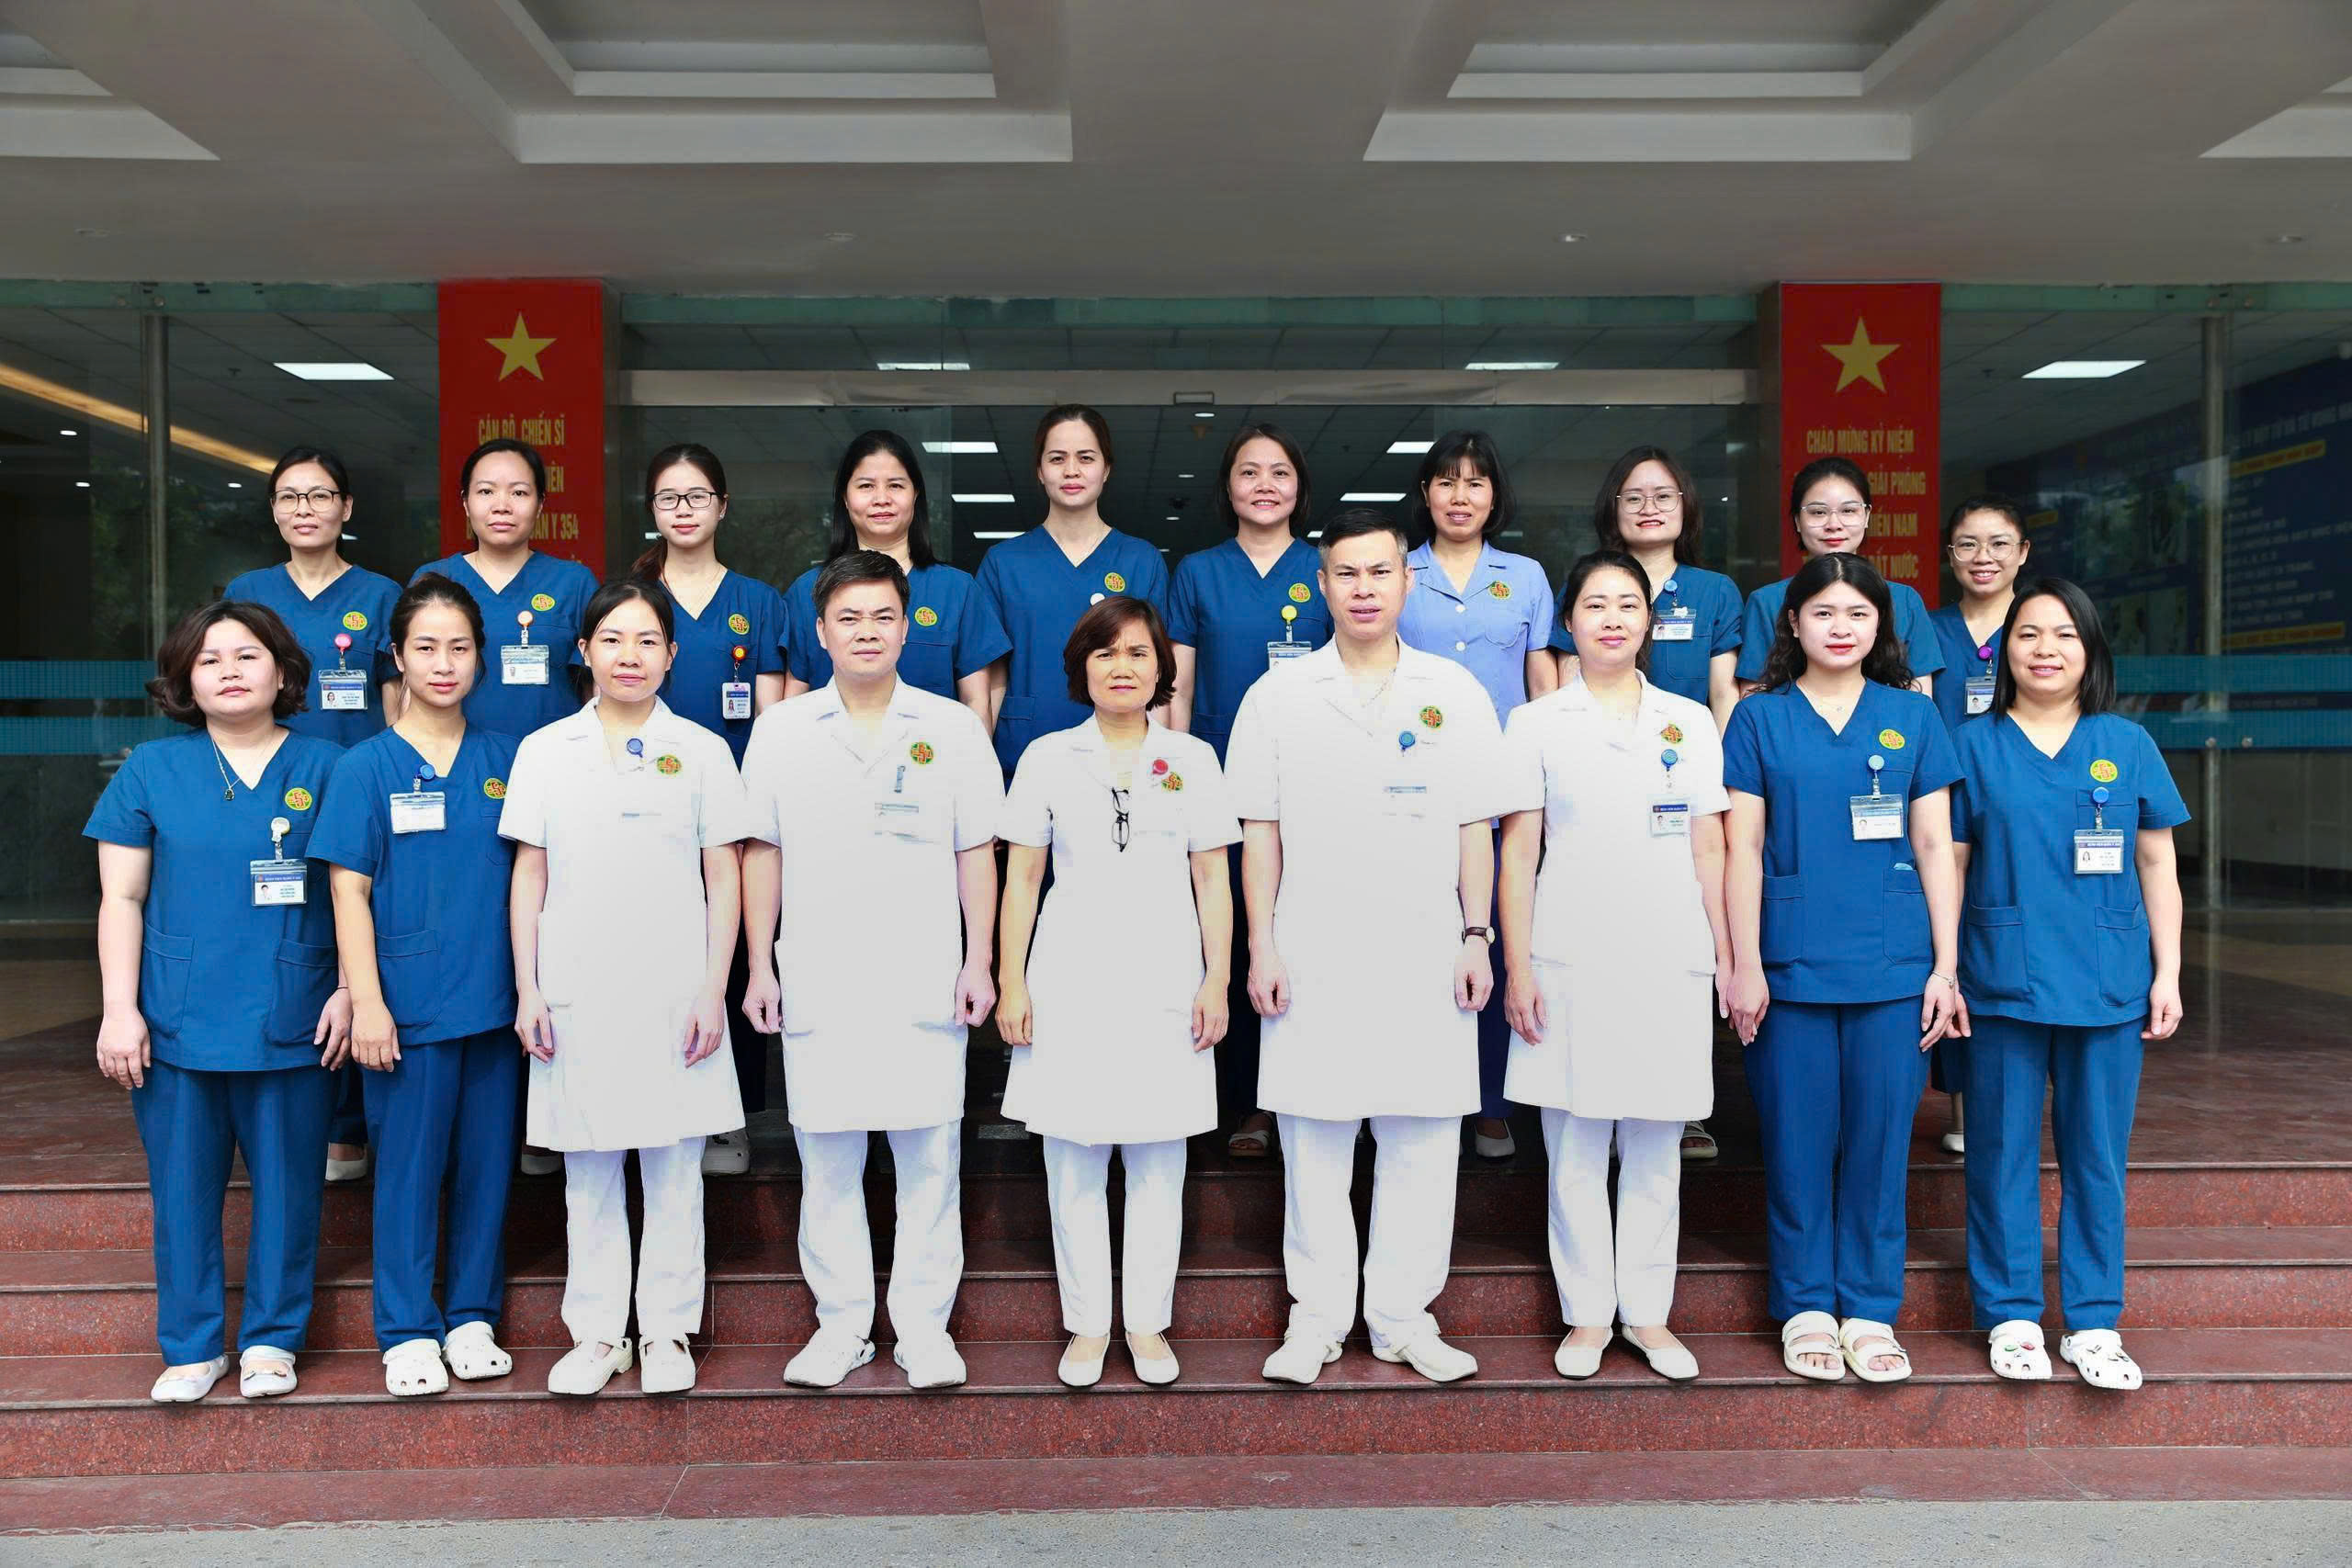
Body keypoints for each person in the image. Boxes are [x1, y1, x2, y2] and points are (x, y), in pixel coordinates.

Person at [1225, 509, 1518, 1387]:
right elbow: (1259, 833)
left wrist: (1477, 934)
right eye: (1346, 573)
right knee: (1314, 1136)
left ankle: (1401, 1317)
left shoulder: (1454, 691)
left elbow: (1478, 826)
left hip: (1427, 943)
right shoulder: (1276, 696)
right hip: (1313, 942)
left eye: (1379, 573)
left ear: (1405, 582)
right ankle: (1315, 1318)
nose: (1362, 589)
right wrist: (1261, 946)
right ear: (1323, 584)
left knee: (1423, 1139)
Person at [741, 551, 1002, 1392]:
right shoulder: (782, 729)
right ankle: (844, 1324)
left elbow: (978, 850)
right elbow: (761, 852)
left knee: (930, 1154)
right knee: (827, 1156)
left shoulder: (950, 727)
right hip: (818, 966)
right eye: (848, 618)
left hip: (923, 967)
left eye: (882, 617)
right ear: (820, 631)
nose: (866, 632)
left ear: (908, 625)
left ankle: (924, 1327)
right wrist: (760, 963)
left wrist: (980, 958)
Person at [85, 601, 348, 1404]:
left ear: (282, 669)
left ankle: (272, 1339)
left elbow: (359, 894)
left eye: (247, 654)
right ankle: (193, 1345)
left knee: (289, 1186)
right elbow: (121, 898)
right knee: (184, 1190)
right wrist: (118, 1008)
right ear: (184, 680)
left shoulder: (332, 765)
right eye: (209, 659)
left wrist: (349, 987)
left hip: (295, 1008)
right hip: (175, 1018)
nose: (230, 670)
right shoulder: (151, 772)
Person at [499, 579, 752, 1397]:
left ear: (673, 655)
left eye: (648, 640)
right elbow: (528, 872)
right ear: (584, 650)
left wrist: (716, 987)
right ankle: (600, 1333)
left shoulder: (705, 750)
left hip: (676, 984)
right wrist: (528, 988)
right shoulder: (545, 749)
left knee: (675, 1165)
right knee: (590, 1164)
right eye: (613, 639)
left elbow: (726, 872)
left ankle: (669, 1330)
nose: (630, 655)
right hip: (576, 985)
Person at [1722, 552, 1964, 1385]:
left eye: (1857, 615)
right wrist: (1743, 960)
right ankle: (1804, 1308)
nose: (1839, 627)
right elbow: (1741, 847)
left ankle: (1867, 1307)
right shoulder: (1757, 720)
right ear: (1792, 624)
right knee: (1795, 1141)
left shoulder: (1913, 718)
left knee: (1878, 1143)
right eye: (1822, 612)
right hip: (1788, 965)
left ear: (1879, 628)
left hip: (1895, 965)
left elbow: (1936, 844)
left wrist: (1947, 965)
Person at [1500, 551, 1730, 1383]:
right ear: (1568, 621)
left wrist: (1728, 956)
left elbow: (1711, 842)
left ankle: (1649, 1312)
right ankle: (1588, 1313)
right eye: (1594, 603)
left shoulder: (1689, 718)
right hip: (1570, 950)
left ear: (1648, 620)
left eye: (1627, 604)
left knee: (1656, 1141)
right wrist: (1518, 965)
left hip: (1668, 947)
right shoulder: (1535, 722)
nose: (1611, 618)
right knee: (1574, 1142)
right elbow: (1518, 847)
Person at [1951, 578, 2186, 1393]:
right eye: (2027, 633)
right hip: (2002, 978)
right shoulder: (1970, 745)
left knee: (2097, 1159)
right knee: (2002, 1153)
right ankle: (2013, 1314)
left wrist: (2171, 970)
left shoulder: (2127, 741)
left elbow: (2157, 861)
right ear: (2004, 649)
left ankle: (2093, 1321)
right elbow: (1951, 862)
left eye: (2064, 634)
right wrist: (1945, 969)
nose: (2045, 648)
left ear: (2089, 651)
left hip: (2108, 979)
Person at [999, 597, 1238, 1387]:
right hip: (1068, 975)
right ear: (1082, 669)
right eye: (1105, 654)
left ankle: (1147, 1322)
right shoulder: (1046, 756)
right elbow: (1022, 877)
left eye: (1139, 652)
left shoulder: (1194, 758)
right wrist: (1010, 979)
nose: (1123, 666)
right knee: (1073, 1160)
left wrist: (1217, 976)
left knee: (1158, 1160)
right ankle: (1087, 1326)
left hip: (1168, 976)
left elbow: (1214, 877)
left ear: (1161, 668)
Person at [311, 574, 522, 1396]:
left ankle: (471, 1316)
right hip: (402, 1008)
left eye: (460, 647)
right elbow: (347, 891)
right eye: (425, 647)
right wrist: (366, 999)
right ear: (396, 656)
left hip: (496, 1004)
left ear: (481, 658)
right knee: (405, 1170)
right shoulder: (364, 767)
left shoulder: (509, 758)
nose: (443, 663)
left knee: (485, 1169)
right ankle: (405, 1329)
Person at [1552, 445, 1743, 1166]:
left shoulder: (1714, 590)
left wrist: (1717, 791)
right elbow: (1570, 688)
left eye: (1664, 493)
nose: (1650, 506)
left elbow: (1724, 692)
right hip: (1597, 791)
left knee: (1676, 950)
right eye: (1633, 495)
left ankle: (1682, 1109)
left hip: (1681, 786)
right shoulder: (1587, 587)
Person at [222, 446, 401, 1186]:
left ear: (345, 509)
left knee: (360, 948)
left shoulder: (384, 593)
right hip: (274, 789)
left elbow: (398, 700)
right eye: (290, 496)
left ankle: (354, 1124)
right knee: (289, 943)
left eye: (320, 495)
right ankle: (295, 1113)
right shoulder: (248, 590)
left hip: (355, 786)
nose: (305, 508)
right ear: (273, 509)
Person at [1164, 422, 1330, 1159]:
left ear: (1300, 485)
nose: (1265, 485)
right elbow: (1178, 682)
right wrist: (1172, 770)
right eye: (1248, 472)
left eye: (1280, 471)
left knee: (1297, 932)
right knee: (1225, 936)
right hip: (1218, 777)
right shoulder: (1197, 572)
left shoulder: (1326, 569)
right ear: (1227, 486)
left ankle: (1293, 1096)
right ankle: (1233, 1102)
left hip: (1313, 783)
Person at [1395, 430, 1556, 1164]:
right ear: (1425, 492)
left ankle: (1491, 1102)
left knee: (1490, 936)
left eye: (1476, 483)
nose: (1461, 496)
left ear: (1496, 496)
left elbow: (1541, 679)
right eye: (1446, 481)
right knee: (1417, 941)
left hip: (1499, 791)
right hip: (1410, 784)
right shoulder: (1397, 572)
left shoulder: (1523, 576)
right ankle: (1417, 1084)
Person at [631, 443, 788, 1176]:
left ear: (722, 507)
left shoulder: (758, 602)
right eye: (669, 498)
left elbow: (771, 715)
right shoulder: (633, 600)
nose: (684, 510)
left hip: (731, 796)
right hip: (645, 802)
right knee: (653, 946)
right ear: (653, 511)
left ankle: (730, 1118)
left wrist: (753, 806)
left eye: (697, 496)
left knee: (729, 952)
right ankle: (644, 1095)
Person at [1924, 494, 2034, 1156]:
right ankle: (1964, 1107)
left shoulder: (2042, 625)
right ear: (1949, 554)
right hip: (1944, 811)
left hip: (2021, 809)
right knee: (1955, 943)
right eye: (1967, 543)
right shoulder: (1927, 629)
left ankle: (2010, 1105)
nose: (1982, 557)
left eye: (1998, 543)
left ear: (2023, 552)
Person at [977, 405, 1168, 775]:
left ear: (1106, 469)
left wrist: (1160, 764)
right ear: (1039, 470)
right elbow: (989, 680)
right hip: (1023, 753)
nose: (1071, 470)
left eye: (1086, 458)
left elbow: (1159, 674)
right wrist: (981, 772)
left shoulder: (1141, 560)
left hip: (1124, 756)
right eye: (1057, 458)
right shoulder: (1004, 562)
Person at [782, 429, 1009, 728]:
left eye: (896, 485)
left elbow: (977, 701)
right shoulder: (807, 591)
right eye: (865, 486)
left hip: (933, 764)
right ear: (845, 499)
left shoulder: (957, 590)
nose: (881, 499)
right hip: (828, 766)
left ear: (915, 494)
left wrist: (969, 767)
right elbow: (793, 700)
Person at [413, 439, 599, 742]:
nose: (502, 505)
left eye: (519, 492)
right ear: (465, 502)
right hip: (453, 759)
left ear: (540, 504)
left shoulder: (574, 583)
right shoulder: (434, 579)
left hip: (554, 761)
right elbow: (412, 682)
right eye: (486, 491)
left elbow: (596, 688)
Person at [1736, 458, 1942, 701]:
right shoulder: (1767, 601)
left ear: (1866, 516)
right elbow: (1753, 697)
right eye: (1818, 512)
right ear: (1797, 522)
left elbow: (1919, 699)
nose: (1834, 524)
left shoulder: (1904, 600)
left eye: (1848, 511)